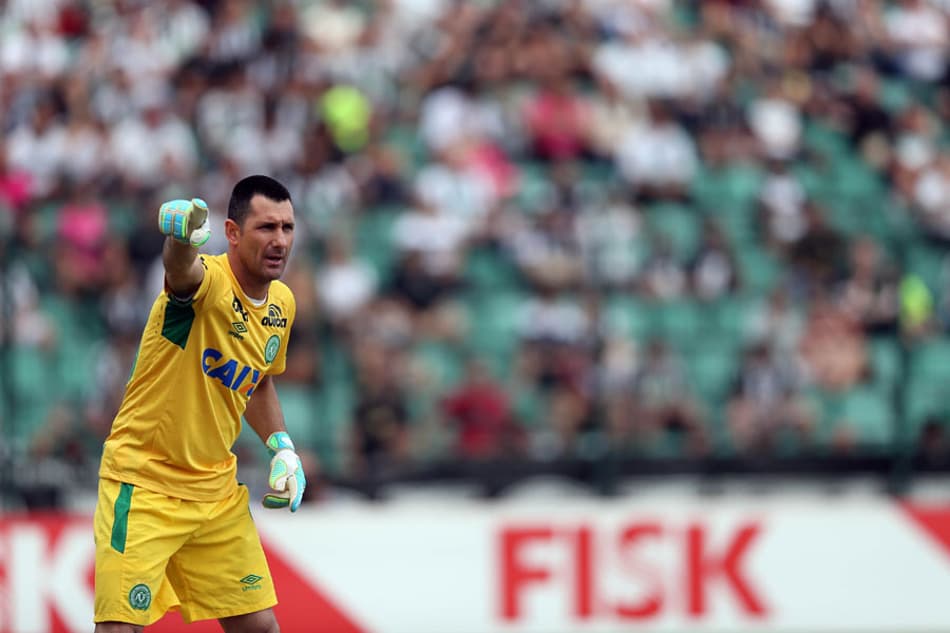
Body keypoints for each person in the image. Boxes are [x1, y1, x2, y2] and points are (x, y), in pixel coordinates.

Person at [93, 175, 305, 632]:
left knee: (260, 627)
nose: (280, 241)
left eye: (287, 228)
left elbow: (259, 381)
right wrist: (178, 239)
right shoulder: (208, 281)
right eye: (266, 228)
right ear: (232, 232)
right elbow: (181, 271)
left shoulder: (281, 304)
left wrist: (282, 446)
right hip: (146, 481)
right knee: (118, 628)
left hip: (214, 492)